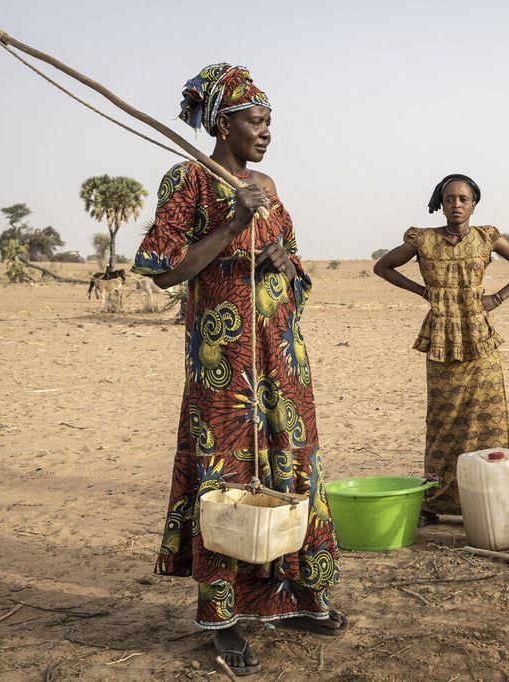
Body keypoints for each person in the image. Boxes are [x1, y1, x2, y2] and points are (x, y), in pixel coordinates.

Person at [132, 64, 344, 677]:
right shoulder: (189, 179)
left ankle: (295, 598)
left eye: (270, 121)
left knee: (290, 469)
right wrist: (232, 225)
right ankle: (222, 618)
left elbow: (297, 273)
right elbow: (164, 270)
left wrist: (283, 260)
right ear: (224, 125)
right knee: (224, 480)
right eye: (256, 120)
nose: (267, 131)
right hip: (223, 368)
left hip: (283, 360)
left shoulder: (268, 185)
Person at [374, 175, 509, 523]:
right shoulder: (422, 239)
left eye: (464, 199)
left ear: (474, 204)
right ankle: (436, 501)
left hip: (479, 339)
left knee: (488, 420)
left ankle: (489, 501)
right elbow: (382, 266)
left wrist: (498, 297)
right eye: (449, 198)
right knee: (444, 421)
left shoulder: (487, 237)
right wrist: (422, 291)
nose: (457, 204)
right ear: (441, 203)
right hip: (442, 339)